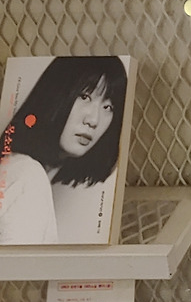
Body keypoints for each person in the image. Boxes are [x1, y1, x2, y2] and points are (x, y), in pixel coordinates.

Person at [0, 57, 129, 245]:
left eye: (108, 107)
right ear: (55, 94)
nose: (93, 120)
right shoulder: (28, 176)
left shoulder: (19, 167)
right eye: (84, 96)